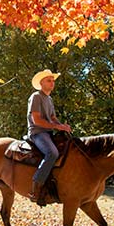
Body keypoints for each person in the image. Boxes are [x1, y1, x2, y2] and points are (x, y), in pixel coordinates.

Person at [27, 69, 71, 205]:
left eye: (53, 80)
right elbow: (37, 120)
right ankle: (36, 186)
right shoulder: (36, 96)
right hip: (37, 132)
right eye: (49, 80)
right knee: (52, 153)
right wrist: (56, 127)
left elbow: (52, 118)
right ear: (41, 83)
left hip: (48, 132)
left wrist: (63, 126)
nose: (52, 83)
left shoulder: (49, 99)